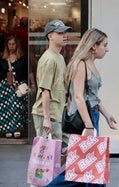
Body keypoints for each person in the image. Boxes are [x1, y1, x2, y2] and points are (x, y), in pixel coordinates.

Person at [46, 28, 117, 187]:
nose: (107, 49)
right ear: (93, 46)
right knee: (81, 166)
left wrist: (106, 114)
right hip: (84, 120)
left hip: (92, 116)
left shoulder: (91, 64)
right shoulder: (81, 65)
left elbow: (92, 97)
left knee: (89, 164)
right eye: (104, 45)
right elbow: (78, 96)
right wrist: (89, 125)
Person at [31, 19, 71, 167]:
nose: (65, 35)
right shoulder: (49, 59)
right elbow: (45, 90)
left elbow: (58, 86)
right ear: (50, 36)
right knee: (46, 157)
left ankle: (47, 181)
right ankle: (39, 183)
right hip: (47, 114)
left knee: (58, 153)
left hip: (57, 113)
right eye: (60, 33)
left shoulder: (59, 57)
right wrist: (46, 118)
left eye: (65, 32)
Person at [0, 35, 29, 138]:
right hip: (6, 86)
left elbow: (27, 72)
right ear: (7, 45)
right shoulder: (3, 58)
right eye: (9, 44)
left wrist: (31, 83)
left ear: (17, 45)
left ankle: (16, 128)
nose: (11, 46)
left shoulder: (22, 57)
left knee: (17, 106)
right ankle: (8, 128)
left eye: (13, 44)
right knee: (7, 108)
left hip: (19, 85)